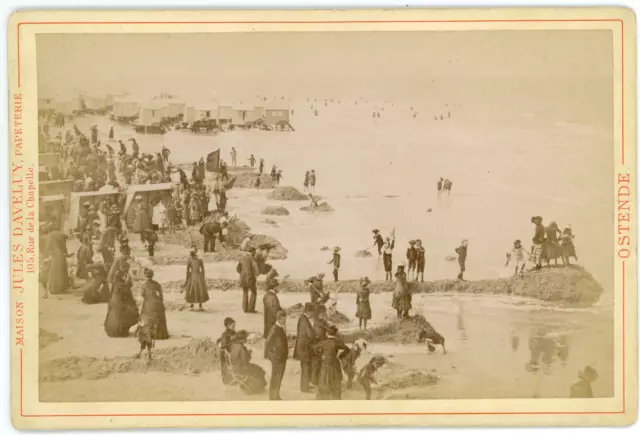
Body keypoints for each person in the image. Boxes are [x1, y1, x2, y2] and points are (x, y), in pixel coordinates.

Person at [104, 260, 139, 337]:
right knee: (132, 309)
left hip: (115, 301)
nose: (126, 272)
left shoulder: (117, 279)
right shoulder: (119, 280)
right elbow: (126, 289)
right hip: (119, 301)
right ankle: (121, 330)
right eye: (126, 270)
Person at [314, 325, 349, 400]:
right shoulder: (336, 342)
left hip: (325, 363)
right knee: (336, 383)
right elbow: (347, 349)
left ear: (327, 334)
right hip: (334, 363)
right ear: (335, 334)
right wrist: (341, 356)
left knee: (324, 381)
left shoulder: (323, 342)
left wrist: (321, 355)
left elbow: (315, 348)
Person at [229, 330, 267, 395]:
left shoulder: (234, 345)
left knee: (257, 368)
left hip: (234, 368)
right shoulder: (242, 348)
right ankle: (257, 389)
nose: (246, 339)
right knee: (259, 370)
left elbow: (238, 358)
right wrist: (249, 354)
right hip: (241, 369)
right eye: (246, 338)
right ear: (242, 339)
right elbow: (245, 361)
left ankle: (254, 387)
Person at [264, 310, 288, 400]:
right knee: (276, 378)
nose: (285, 320)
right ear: (279, 318)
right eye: (283, 319)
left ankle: (276, 395)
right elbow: (267, 343)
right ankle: (273, 397)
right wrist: (274, 354)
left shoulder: (280, 327)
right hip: (278, 358)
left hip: (281, 357)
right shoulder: (275, 329)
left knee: (279, 377)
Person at [140, 268, 169, 339]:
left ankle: (150, 334)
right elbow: (161, 295)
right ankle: (161, 335)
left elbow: (142, 294)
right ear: (152, 275)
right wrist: (160, 301)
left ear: (146, 276)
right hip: (157, 301)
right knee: (159, 317)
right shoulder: (157, 284)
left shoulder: (144, 285)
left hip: (148, 302)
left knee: (147, 317)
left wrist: (147, 298)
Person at [294, 303, 317, 393]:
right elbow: (310, 334)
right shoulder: (304, 320)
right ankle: (304, 388)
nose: (313, 314)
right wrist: (315, 335)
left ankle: (306, 385)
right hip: (304, 348)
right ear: (309, 311)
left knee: (306, 367)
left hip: (303, 346)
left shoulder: (302, 318)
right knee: (305, 368)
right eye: (312, 312)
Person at [45, 228, 71, 294]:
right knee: (62, 270)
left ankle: (53, 288)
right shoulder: (62, 235)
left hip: (55, 253)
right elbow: (64, 246)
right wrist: (67, 253)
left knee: (54, 270)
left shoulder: (51, 234)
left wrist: (50, 253)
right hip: (61, 253)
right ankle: (62, 287)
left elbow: (48, 246)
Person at [237, 247, 260, 313]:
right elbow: (255, 268)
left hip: (243, 278)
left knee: (245, 293)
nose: (255, 253)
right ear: (252, 252)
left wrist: (242, 273)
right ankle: (251, 309)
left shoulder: (242, 257)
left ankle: (245, 309)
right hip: (250, 278)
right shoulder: (252, 258)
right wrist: (256, 274)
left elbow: (238, 268)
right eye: (254, 252)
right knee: (254, 292)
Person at [217, 317, 236, 385]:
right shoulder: (225, 334)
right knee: (226, 367)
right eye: (232, 325)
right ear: (228, 326)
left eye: (234, 325)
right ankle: (226, 381)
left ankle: (232, 380)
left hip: (230, 352)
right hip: (225, 353)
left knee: (231, 367)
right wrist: (231, 340)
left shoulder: (233, 332)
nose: (234, 327)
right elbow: (224, 345)